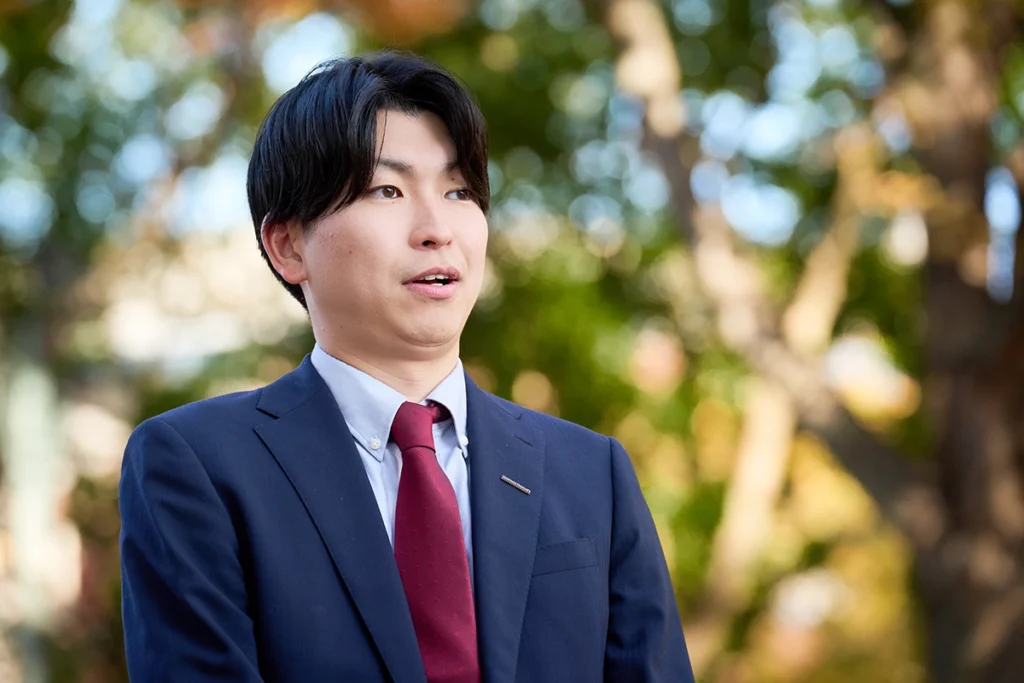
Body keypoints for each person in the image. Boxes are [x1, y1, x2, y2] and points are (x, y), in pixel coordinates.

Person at [118, 50, 695, 683]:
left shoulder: (592, 472)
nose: (436, 228)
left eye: (459, 191)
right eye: (387, 190)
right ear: (287, 246)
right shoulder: (198, 465)